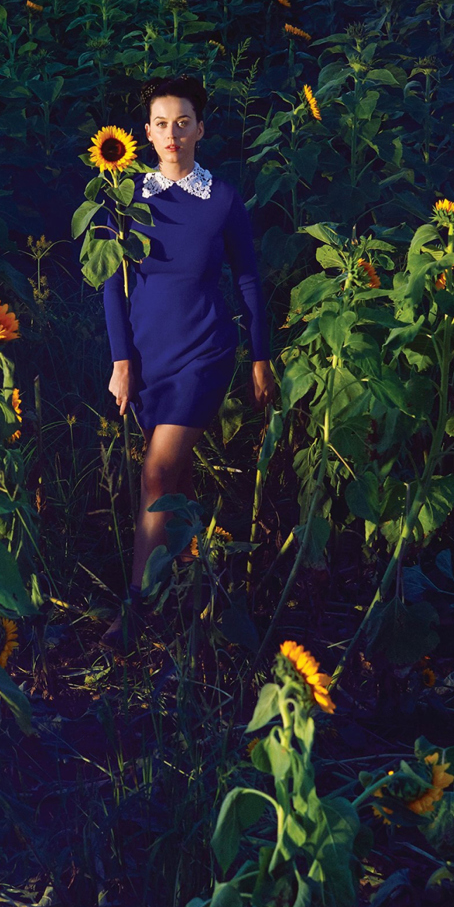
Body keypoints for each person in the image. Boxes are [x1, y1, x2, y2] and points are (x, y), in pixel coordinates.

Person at [98, 74, 277, 650]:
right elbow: (109, 286)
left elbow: (247, 278)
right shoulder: (123, 197)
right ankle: (196, 601)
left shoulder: (222, 199)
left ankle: (136, 610)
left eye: (183, 121)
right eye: (160, 123)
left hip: (204, 352)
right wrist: (121, 362)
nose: (172, 133)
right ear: (145, 133)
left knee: (154, 472)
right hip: (148, 359)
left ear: (200, 127)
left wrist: (260, 356)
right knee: (173, 482)